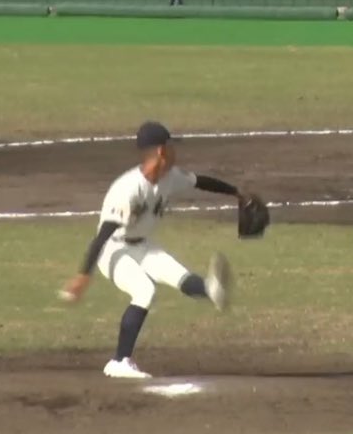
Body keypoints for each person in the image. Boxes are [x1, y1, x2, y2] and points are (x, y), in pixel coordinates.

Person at [59, 120, 248, 379]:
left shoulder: (171, 177)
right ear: (161, 151)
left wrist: (237, 193)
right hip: (114, 251)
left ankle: (211, 290)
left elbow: (201, 181)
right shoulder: (128, 189)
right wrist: (83, 276)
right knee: (145, 290)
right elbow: (103, 234)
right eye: (171, 146)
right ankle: (119, 361)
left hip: (143, 246)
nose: (175, 151)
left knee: (178, 274)